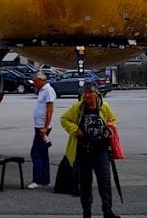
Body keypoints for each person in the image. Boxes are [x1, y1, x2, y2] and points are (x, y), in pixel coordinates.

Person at [60, 83, 120, 218]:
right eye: (85, 92)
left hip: (101, 151)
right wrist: (75, 130)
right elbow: (64, 119)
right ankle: (86, 212)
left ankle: (107, 211)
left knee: (104, 182)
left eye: (90, 92)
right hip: (83, 152)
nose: (87, 95)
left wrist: (109, 128)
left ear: (97, 93)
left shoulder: (104, 106)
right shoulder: (78, 107)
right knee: (85, 184)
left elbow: (113, 120)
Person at [28, 71, 56, 189]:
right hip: (39, 125)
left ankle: (38, 179)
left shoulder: (48, 90)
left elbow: (50, 110)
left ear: (40, 80)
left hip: (42, 126)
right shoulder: (42, 90)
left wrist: (45, 127)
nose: (34, 84)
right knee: (43, 153)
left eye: (35, 82)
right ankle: (45, 179)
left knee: (36, 152)